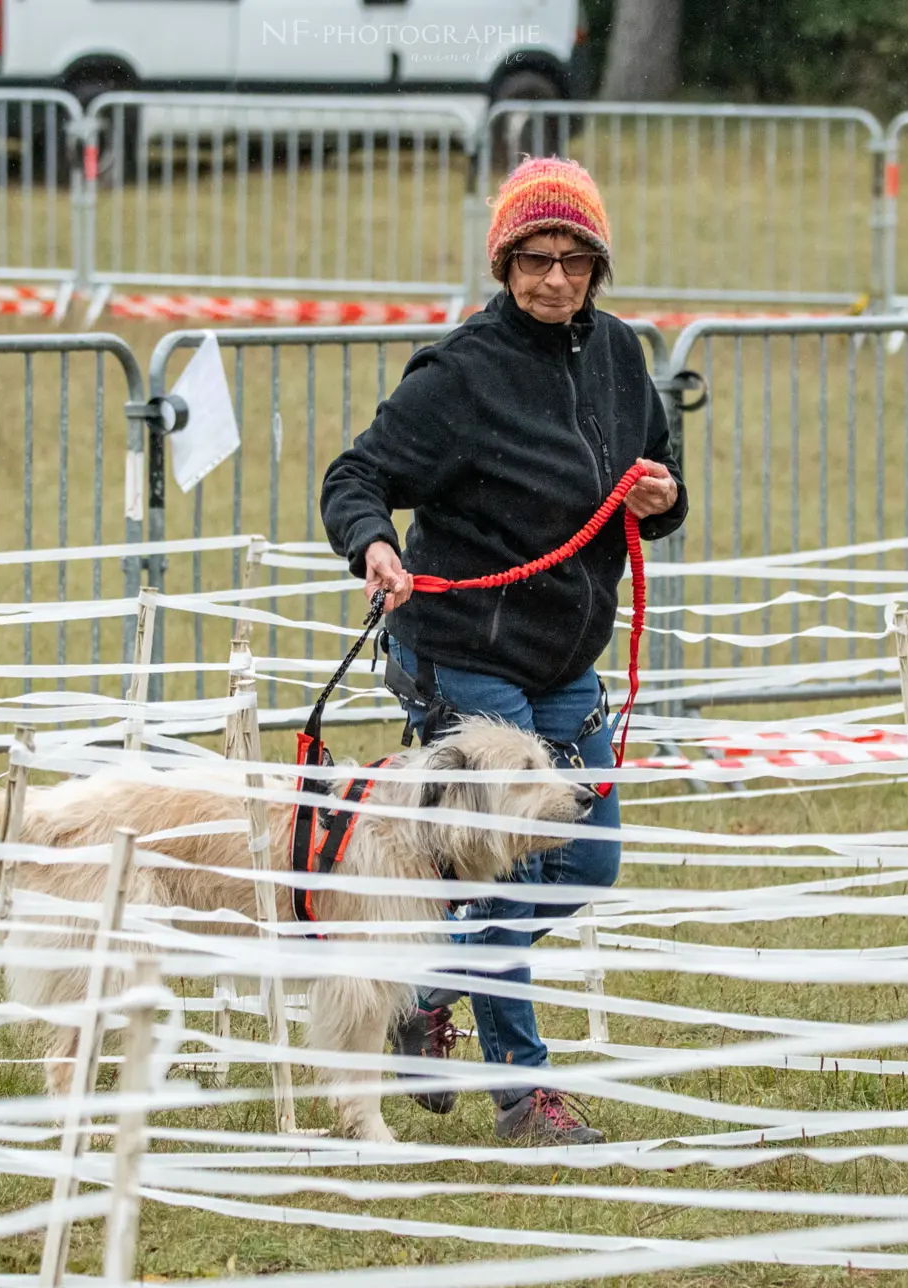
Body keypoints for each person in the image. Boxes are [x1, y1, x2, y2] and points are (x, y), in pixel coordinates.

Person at [319, 157, 687, 1145]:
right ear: (504, 260)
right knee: (501, 871)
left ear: (598, 265)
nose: (554, 279)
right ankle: (524, 1094)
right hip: (463, 657)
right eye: (534, 259)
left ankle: (420, 989)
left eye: (574, 260)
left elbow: (657, 474)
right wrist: (375, 543)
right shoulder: (459, 374)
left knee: (585, 863)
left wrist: (662, 499)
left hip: (564, 659)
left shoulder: (617, 357)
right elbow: (355, 473)